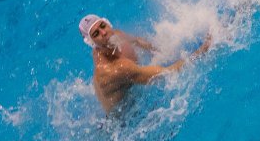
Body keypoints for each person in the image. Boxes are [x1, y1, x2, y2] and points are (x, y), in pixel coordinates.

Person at [78, 14, 211, 113]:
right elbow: (167, 73)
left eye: (102, 25)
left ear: (107, 23)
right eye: (96, 34)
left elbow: (137, 41)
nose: (104, 32)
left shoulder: (114, 35)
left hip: (127, 91)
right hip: (123, 119)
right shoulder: (116, 69)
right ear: (92, 43)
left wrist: (159, 52)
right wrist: (204, 49)